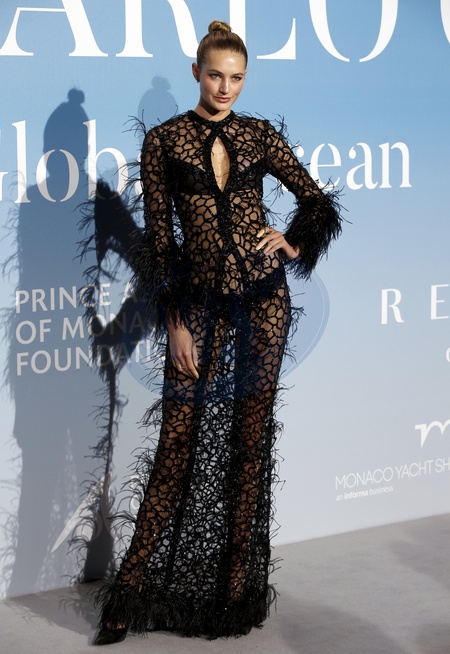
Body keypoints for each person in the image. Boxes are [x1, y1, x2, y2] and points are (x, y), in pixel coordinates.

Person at [94, 20, 342, 645]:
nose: (225, 87)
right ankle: (127, 596)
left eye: (236, 78)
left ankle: (232, 595)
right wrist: (174, 321)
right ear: (196, 73)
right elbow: (160, 244)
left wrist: (292, 242)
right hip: (198, 304)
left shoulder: (258, 135)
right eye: (215, 75)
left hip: (264, 301)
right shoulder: (164, 141)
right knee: (176, 446)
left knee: (250, 444)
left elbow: (316, 201)